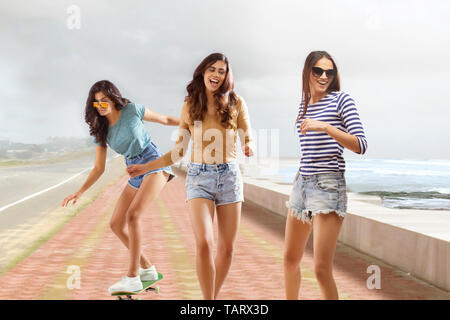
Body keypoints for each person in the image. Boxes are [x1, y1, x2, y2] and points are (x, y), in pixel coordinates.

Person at [127, 53, 255, 299]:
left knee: (227, 249)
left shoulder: (237, 102)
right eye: (212, 69)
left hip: (230, 177)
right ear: (203, 72)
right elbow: (179, 151)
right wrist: (146, 167)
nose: (217, 75)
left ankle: (211, 299)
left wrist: (249, 145)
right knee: (205, 243)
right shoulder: (190, 105)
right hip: (199, 178)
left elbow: (246, 133)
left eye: (222, 71)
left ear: (227, 76)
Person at [62, 80, 179, 294]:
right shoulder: (102, 131)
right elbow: (98, 168)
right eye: (96, 103)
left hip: (153, 163)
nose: (100, 105)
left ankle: (133, 277)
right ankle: (148, 269)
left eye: (104, 100)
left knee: (133, 216)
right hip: (133, 169)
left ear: (113, 98)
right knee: (116, 224)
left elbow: (165, 119)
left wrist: (193, 123)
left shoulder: (132, 110)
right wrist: (80, 192)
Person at [284, 51, 368, 300]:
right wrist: (300, 175)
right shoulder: (304, 104)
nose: (323, 76)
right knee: (289, 261)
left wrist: (327, 127)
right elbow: (308, 148)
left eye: (329, 72)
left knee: (321, 270)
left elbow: (360, 144)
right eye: (317, 71)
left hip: (328, 184)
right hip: (302, 185)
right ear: (307, 72)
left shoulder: (342, 100)